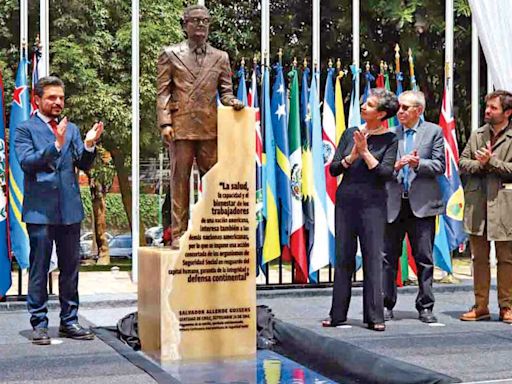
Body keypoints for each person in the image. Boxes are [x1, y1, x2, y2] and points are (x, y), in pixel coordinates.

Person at [14, 76, 104, 345]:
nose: (57, 102)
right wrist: (55, 145)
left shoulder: (72, 129)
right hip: (40, 211)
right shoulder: (24, 129)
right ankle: (39, 323)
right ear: (37, 100)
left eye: (61, 98)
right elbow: (27, 163)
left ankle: (69, 321)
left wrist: (88, 144)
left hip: (70, 210)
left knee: (70, 269)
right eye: (52, 98)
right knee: (40, 268)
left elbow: (83, 164)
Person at [157, 4, 244, 249]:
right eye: (195, 21)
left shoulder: (221, 57)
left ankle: (214, 231)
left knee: (215, 180)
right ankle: (178, 232)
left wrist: (233, 101)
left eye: (205, 21)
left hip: (209, 127)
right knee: (179, 180)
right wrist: (165, 123)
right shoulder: (170, 54)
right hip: (181, 126)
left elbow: (225, 92)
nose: (200, 26)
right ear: (184, 24)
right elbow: (163, 92)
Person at [322, 88, 399, 331]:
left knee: (372, 258)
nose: (363, 107)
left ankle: (375, 316)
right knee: (343, 257)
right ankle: (337, 314)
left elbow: (385, 173)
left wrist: (365, 152)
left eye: (370, 105)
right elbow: (334, 168)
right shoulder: (350, 133)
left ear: (382, 113)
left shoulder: (390, 139)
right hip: (346, 201)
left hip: (373, 204)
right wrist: (351, 156)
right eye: (364, 103)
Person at [382, 90, 446, 324]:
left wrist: (419, 163)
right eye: (399, 107)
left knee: (423, 258)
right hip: (394, 203)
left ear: (418, 110)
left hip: (422, 204)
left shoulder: (433, 132)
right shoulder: (390, 134)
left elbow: (440, 165)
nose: (400, 111)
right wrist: (395, 166)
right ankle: (385, 304)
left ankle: (425, 306)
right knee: (388, 257)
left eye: (405, 108)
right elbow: (381, 169)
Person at [459, 90, 512, 323]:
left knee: (506, 258)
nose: (487, 111)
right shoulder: (478, 134)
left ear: (507, 112)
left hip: (504, 204)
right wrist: (480, 165)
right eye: (487, 107)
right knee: (478, 258)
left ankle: (507, 306)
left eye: (493, 108)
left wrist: (492, 162)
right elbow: (462, 162)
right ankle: (481, 306)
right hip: (477, 203)